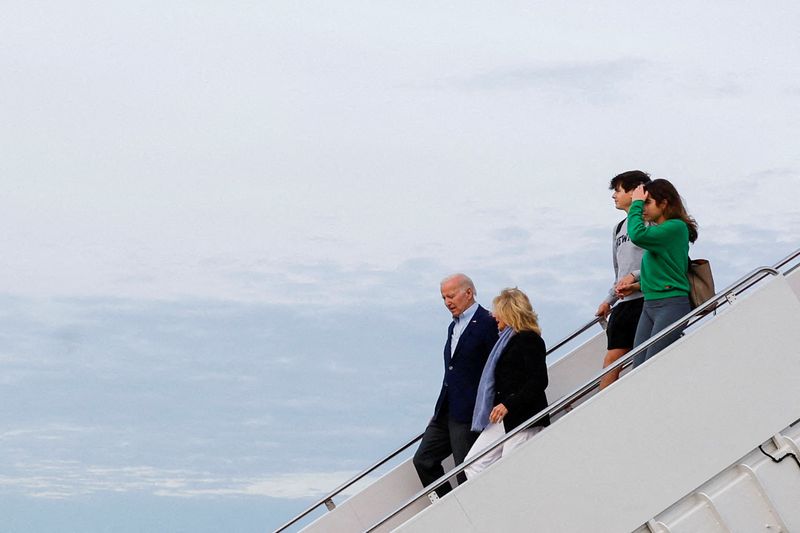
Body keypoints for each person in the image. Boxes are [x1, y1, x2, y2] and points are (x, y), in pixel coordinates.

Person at [413, 273, 499, 499]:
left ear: (468, 293)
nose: (447, 302)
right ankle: (448, 505)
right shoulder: (453, 327)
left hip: (470, 411)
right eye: (443, 298)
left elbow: (496, 365)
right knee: (423, 460)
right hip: (446, 410)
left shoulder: (488, 322)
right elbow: (451, 372)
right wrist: (437, 410)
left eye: (451, 296)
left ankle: (467, 515)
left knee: (466, 471)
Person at [463, 287, 549, 479]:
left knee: (512, 470)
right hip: (504, 416)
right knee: (474, 464)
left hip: (523, 417)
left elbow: (539, 380)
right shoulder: (506, 342)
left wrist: (508, 404)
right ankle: (493, 506)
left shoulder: (529, 339)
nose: (494, 316)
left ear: (510, 312)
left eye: (498, 312)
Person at [616, 179, 699, 367]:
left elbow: (637, 235)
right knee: (639, 366)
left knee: (652, 365)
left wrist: (635, 203)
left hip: (671, 304)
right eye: (642, 202)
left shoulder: (675, 227)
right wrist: (636, 286)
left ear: (664, 203)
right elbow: (665, 272)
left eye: (647, 202)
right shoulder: (661, 232)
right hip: (650, 304)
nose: (643, 207)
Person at [595, 170, 651, 389]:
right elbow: (618, 270)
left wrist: (634, 277)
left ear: (634, 191)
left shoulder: (650, 222)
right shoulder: (618, 228)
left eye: (618, 190)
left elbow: (657, 262)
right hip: (624, 302)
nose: (614, 196)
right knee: (612, 359)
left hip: (645, 297)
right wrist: (608, 300)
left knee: (619, 358)